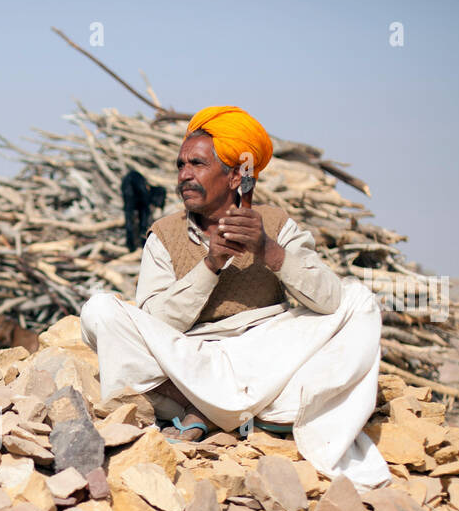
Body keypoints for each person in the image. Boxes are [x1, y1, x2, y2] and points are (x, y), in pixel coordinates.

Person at [80, 105, 390, 488]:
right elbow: (153, 323)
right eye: (181, 166)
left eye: (197, 164)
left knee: (359, 299)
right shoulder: (163, 234)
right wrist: (210, 264)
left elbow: (328, 301)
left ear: (235, 176)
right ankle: (227, 409)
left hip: (266, 355)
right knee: (99, 310)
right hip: (192, 358)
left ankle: (209, 410)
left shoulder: (275, 224)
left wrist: (269, 251)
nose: (184, 176)